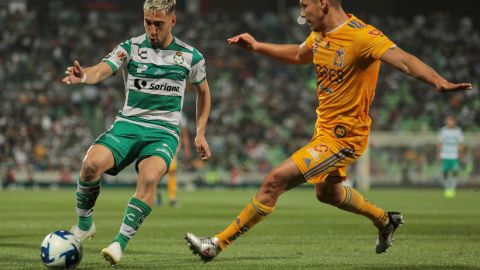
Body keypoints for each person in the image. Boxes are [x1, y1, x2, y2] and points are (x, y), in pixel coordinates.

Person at [185, 0, 472, 261]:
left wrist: (438, 81)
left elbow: (404, 60)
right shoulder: (320, 34)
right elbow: (299, 54)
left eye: (304, 5)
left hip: (345, 137)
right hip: (323, 132)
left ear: (323, 3)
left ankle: (216, 244)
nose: (301, 13)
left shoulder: (363, 36)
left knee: (274, 181)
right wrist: (258, 46)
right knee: (328, 194)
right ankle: (385, 220)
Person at [62, 0, 212, 265]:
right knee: (90, 165)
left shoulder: (191, 57)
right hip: (127, 125)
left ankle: (119, 243)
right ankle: (84, 225)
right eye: (147, 23)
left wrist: (200, 132)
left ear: (172, 22)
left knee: (149, 177)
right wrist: (83, 76)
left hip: (163, 132)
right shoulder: (129, 48)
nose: (152, 30)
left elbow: (203, 93)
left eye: (159, 24)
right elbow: (101, 69)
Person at [156, 113, 191, 207]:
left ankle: (172, 198)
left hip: (173, 146)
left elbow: (184, 132)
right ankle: (157, 195)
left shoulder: (180, 115)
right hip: (159, 144)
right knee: (159, 172)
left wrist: (187, 147)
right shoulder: (162, 110)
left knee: (171, 172)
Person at [437, 116, 464, 198]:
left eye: (451, 121)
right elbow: (439, 142)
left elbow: (461, 143)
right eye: (448, 121)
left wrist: (461, 153)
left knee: (455, 171)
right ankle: (447, 187)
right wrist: (438, 153)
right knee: (445, 172)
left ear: (454, 122)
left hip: (454, 155)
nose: (450, 122)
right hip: (445, 154)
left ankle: (452, 188)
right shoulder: (443, 131)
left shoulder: (458, 131)